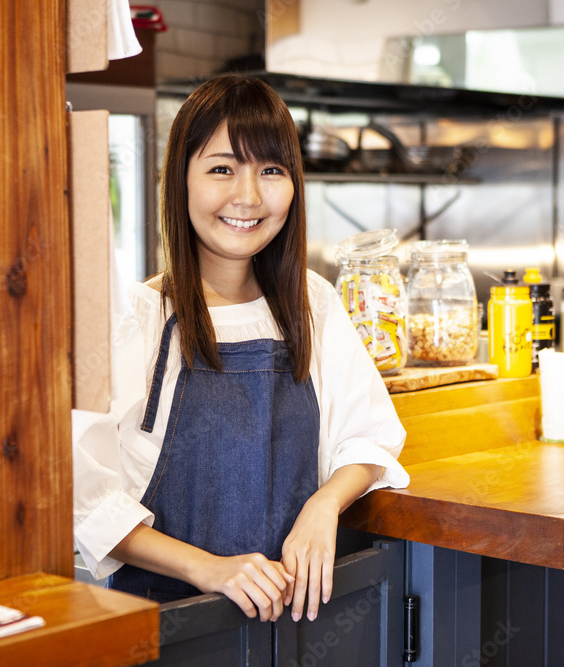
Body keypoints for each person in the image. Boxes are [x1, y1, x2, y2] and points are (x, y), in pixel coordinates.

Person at [73, 74, 408, 624]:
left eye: (270, 170)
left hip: (301, 619)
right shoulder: (137, 319)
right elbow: (86, 500)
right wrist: (210, 569)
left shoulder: (311, 304)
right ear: (180, 180)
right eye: (222, 168)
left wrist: (324, 507)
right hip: (175, 629)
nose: (248, 196)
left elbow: (369, 435)